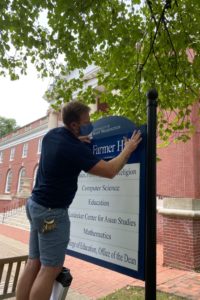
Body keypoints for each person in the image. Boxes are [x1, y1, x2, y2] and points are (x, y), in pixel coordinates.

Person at [16, 101, 142, 300]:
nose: (90, 124)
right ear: (75, 125)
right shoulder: (74, 148)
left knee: (34, 261)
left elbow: (66, 145)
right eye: (87, 121)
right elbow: (109, 171)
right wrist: (128, 149)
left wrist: (77, 138)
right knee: (51, 268)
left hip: (34, 205)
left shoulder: (51, 136)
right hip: (52, 213)